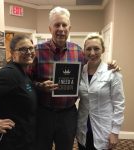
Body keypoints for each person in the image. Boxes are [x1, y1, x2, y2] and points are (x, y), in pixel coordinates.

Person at [28, 6, 120, 150]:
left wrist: (111, 64)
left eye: (64, 25)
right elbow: (25, 82)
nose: (61, 29)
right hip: (44, 113)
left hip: (68, 114)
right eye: (56, 25)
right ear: (50, 28)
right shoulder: (36, 51)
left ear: (69, 27)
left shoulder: (79, 52)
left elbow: (94, 65)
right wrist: (41, 86)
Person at [0, 34, 37, 150]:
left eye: (31, 48)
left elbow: (19, 92)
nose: (28, 52)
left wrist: (39, 86)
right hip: (9, 143)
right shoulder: (9, 74)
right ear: (12, 53)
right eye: (22, 49)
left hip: (23, 140)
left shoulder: (23, 73)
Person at [76, 33, 125, 150]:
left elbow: (119, 104)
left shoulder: (112, 73)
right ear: (84, 51)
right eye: (88, 49)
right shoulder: (79, 71)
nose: (92, 53)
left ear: (103, 49)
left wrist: (115, 132)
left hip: (103, 128)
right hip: (83, 126)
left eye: (96, 48)